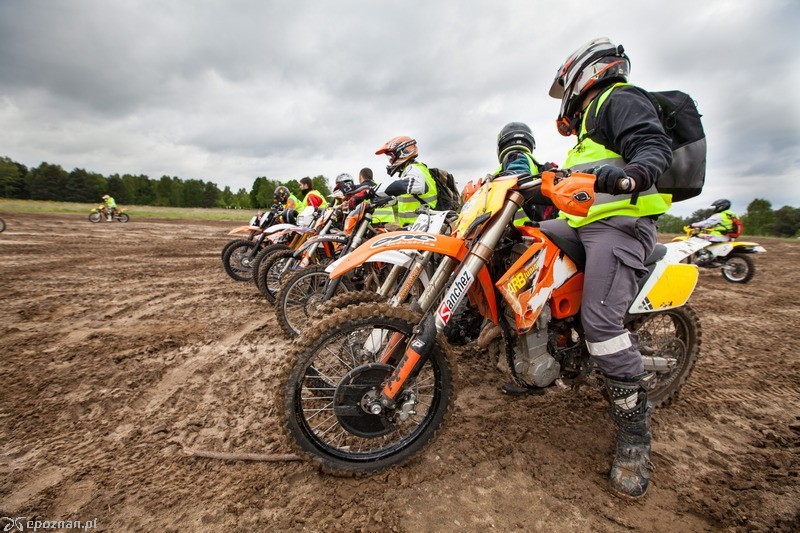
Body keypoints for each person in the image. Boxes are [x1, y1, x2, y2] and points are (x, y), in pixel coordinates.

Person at [541, 37, 674, 499]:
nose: (567, 101)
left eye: (567, 88)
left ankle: (635, 436)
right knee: (523, 253)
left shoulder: (621, 98)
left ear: (585, 73)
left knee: (601, 325)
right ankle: (542, 352)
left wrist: (634, 174)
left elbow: (652, 146)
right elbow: (576, 184)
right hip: (581, 225)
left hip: (620, 226)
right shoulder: (588, 128)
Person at [493, 122, 558, 224]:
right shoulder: (535, 165)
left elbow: (518, 178)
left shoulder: (515, 156)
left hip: (516, 229)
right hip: (534, 226)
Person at [374, 136, 438, 226]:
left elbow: (403, 185)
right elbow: (395, 198)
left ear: (403, 152)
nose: (390, 161)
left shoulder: (415, 168)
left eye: (391, 157)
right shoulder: (408, 172)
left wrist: (372, 191)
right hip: (413, 227)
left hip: (424, 226)